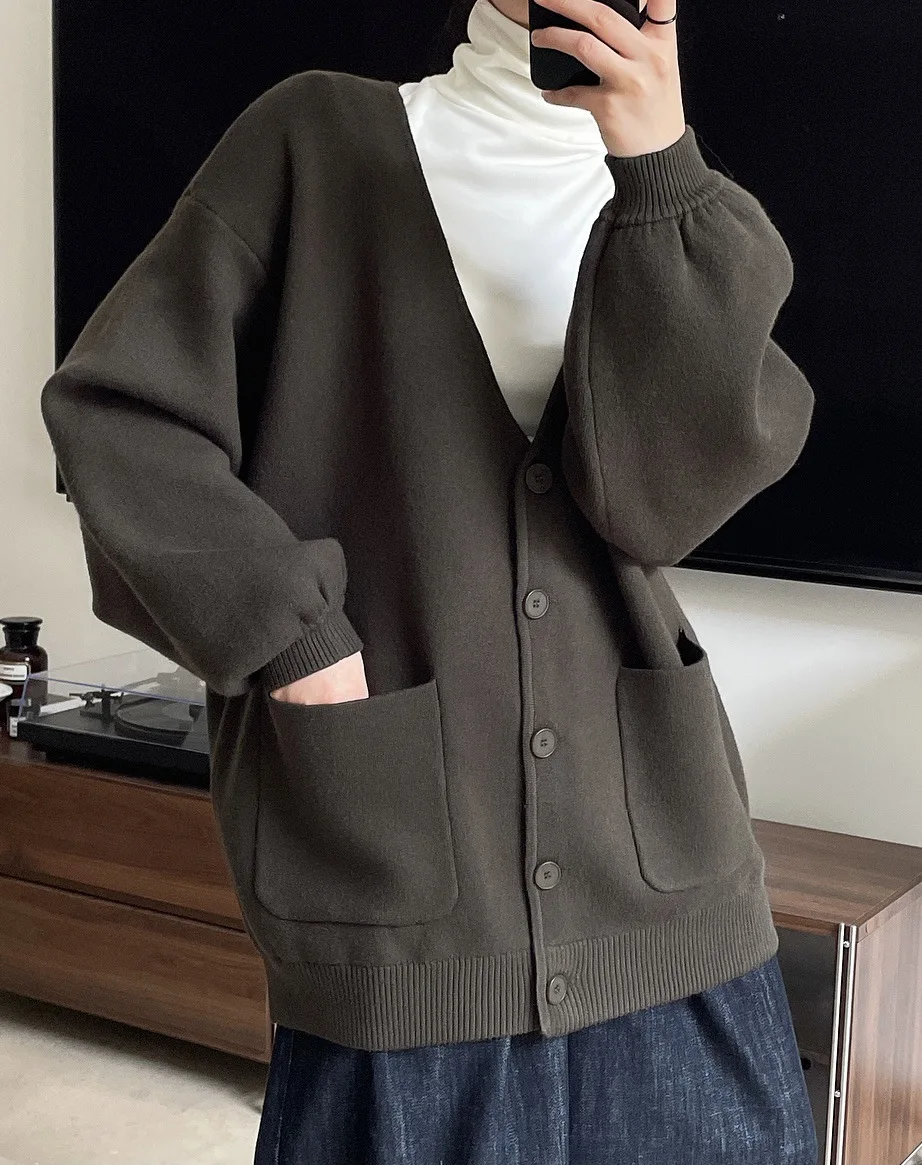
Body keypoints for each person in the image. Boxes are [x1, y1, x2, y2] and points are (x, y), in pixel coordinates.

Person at [40, 0, 819, 1160]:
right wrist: (291, 637)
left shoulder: (685, 215)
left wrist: (659, 171)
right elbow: (119, 415)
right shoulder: (312, 141)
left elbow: (662, 509)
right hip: (400, 887)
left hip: (666, 887)